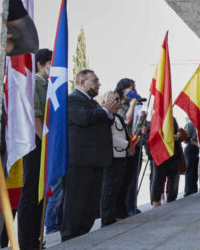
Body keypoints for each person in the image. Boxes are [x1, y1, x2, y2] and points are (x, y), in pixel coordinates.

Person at [61, 70, 117, 241]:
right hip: (79, 162)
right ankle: (70, 238)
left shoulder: (93, 103)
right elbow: (83, 118)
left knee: (90, 204)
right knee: (76, 203)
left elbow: (102, 120)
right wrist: (105, 110)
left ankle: (83, 236)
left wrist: (109, 111)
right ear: (82, 81)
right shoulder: (72, 99)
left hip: (95, 160)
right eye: (95, 80)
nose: (98, 84)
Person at [17, 48, 51, 250]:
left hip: (43, 143)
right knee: (30, 194)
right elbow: (36, 117)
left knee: (40, 195)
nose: (52, 67)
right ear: (40, 64)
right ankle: (27, 242)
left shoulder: (47, 85)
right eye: (49, 63)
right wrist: (45, 142)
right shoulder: (36, 83)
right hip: (35, 144)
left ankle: (35, 240)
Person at [100, 91, 134, 226]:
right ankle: (106, 217)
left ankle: (117, 212)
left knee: (119, 186)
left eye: (119, 99)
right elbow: (109, 137)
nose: (119, 102)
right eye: (116, 100)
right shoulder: (107, 118)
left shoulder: (117, 117)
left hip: (121, 156)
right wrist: (127, 145)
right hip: (112, 157)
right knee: (109, 188)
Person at [115, 78, 146, 217]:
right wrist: (133, 106)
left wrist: (142, 121)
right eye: (131, 89)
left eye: (135, 88)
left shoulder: (135, 105)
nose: (134, 92)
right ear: (123, 90)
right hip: (124, 147)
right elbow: (126, 121)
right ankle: (122, 209)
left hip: (136, 145)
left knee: (133, 179)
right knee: (123, 180)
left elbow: (136, 126)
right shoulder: (119, 105)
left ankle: (131, 206)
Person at [150, 118, 184, 207]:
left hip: (174, 153)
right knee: (158, 178)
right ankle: (156, 201)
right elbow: (152, 135)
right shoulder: (155, 117)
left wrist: (178, 135)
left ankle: (171, 200)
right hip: (160, 153)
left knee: (174, 178)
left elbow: (177, 132)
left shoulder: (172, 119)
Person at [183, 120, 199, 196]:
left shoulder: (199, 124)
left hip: (196, 150)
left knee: (195, 171)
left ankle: (194, 190)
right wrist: (194, 142)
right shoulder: (190, 124)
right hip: (190, 149)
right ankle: (188, 191)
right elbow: (185, 137)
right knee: (189, 171)